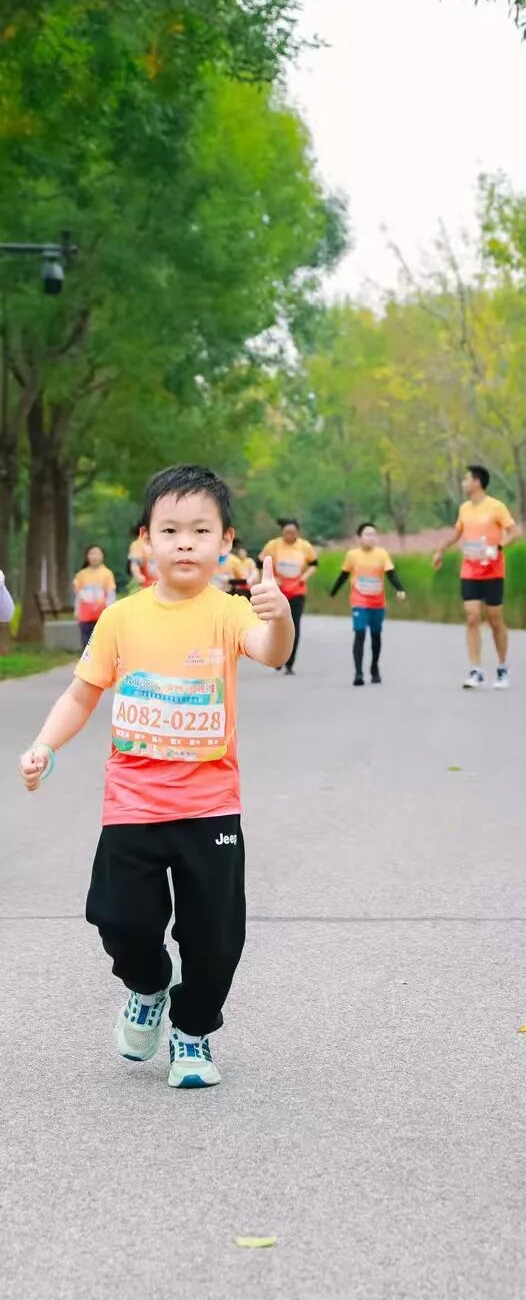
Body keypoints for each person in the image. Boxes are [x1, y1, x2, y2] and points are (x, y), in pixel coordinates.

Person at [17, 464, 293, 1090]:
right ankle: (148, 988)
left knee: (215, 937)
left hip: (210, 806)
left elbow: (273, 651)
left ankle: (191, 1035)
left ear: (225, 541)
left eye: (200, 530)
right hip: (133, 804)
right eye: (170, 530)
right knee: (118, 917)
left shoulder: (229, 613)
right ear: (146, 539)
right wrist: (43, 745)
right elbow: (81, 694)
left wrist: (278, 617)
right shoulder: (121, 618)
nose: (185, 543)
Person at [432, 465, 519, 689]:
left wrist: (498, 546)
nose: (463, 483)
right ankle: (475, 670)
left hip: (492, 571)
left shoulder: (496, 507)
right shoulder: (464, 508)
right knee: (472, 617)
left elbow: (514, 532)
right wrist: (440, 550)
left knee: (494, 619)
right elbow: (457, 533)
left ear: (477, 482)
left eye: (466, 479)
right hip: (470, 570)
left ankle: (502, 668)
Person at [329, 521, 407, 686]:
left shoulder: (382, 554)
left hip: (377, 602)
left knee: (376, 636)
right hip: (359, 601)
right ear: (359, 537)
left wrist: (399, 589)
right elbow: (344, 575)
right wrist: (333, 591)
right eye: (367, 534)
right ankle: (358, 673)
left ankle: (374, 667)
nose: (371, 537)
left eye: (374, 534)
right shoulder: (352, 555)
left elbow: (391, 573)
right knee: (360, 633)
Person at [258, 519, 317, 674]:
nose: (290, 535)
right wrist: (272, 578)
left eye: (293, 532)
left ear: (298, 532)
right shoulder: (273, 545)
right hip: (277, 591)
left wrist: (304, 577)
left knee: (294, 626)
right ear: (282, 532)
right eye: (287, 532)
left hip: (297, 591)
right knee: (276, 625)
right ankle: (278, 658)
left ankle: (290, 663)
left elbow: (314, 564)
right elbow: (260, 563)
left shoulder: (305, 546)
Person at [72, 545, 117, 651]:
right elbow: (78, 596)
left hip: (102, 614)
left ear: (102, 556)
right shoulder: (81, 574)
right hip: (85, 615)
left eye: (97, 554)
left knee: (101, 643)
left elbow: (111, 594)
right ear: (87, 556)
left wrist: (111, 612)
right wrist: (77, 612)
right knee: (86, 643)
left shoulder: (107, 573)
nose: (95, 557)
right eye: (92, 554)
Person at [127, 525, 160, 592]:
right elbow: (134, 564)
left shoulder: (158, 544)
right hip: (145, 583)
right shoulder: (138, 545)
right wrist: (138, 575)